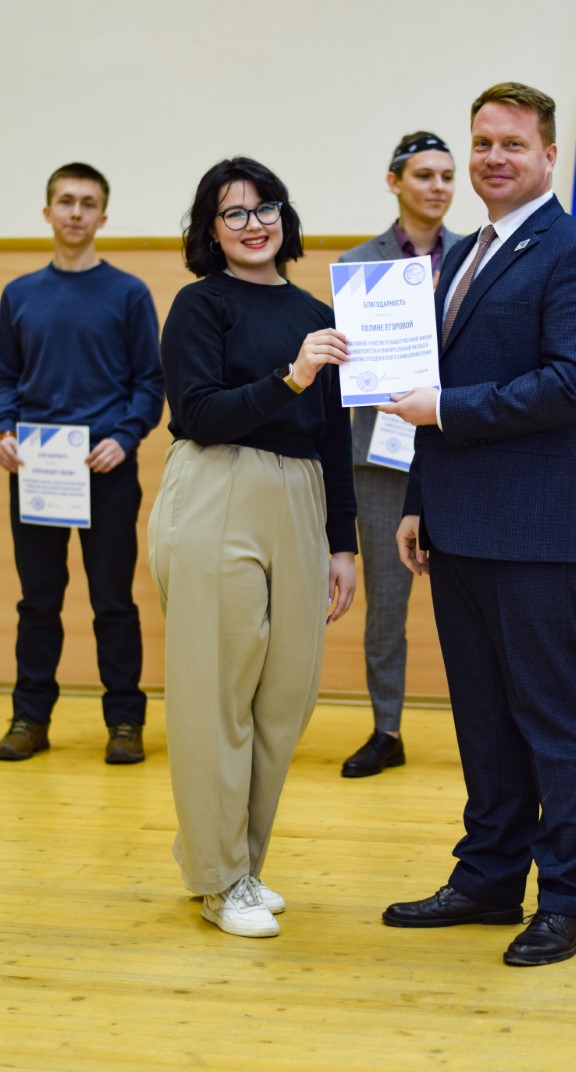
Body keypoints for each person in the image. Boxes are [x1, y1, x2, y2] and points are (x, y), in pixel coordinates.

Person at [375, 82, 576, 967]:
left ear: (549, 156)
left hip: (538, 531)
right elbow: (429, 386)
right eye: (482, 142)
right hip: (457, 525)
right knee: (482, 720)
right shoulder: (460, 256)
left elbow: (570, 387)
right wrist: (418, 500)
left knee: (553, 722)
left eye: (512, 144)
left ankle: (567, 900)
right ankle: (487, 879)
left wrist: (444, 410)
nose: (492, 158)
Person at [147, 157, 357, 939]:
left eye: (265, 206)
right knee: (216, 694)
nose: (253, 223)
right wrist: (291, 377)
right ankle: (219, 876)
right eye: (233, 213)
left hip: (300, 496)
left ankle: (236, 859)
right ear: (210, 229)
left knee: (285, 696)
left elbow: (335, 438)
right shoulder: (199, 305)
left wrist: (343, 544)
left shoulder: (316, 311)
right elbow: (200, 412)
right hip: (217, 487)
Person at [0, 163, 164, 765]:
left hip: (106, 469)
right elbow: (5, 377)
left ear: (103, 216)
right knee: (37, 602)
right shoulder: (18, 295)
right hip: (37, 469)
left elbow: (150, 383)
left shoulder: (129, 293)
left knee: (113, 601)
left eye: (87, 203)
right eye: (66, 201)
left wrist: (125, 436)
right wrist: (4, 429)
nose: (75, 212)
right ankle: (29, 718)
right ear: (47, 212)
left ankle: (124, 721)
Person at [338, 132, 461, 778]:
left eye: (447, 176)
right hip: (382, 457)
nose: (438, 187)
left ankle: (491, 732)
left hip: (460, 447)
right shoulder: (359, 265)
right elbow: (350, 368)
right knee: (386, 605)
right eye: (423, 175)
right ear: (394, 182)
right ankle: (387, 728)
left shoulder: (476, 256)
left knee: (476, 600)